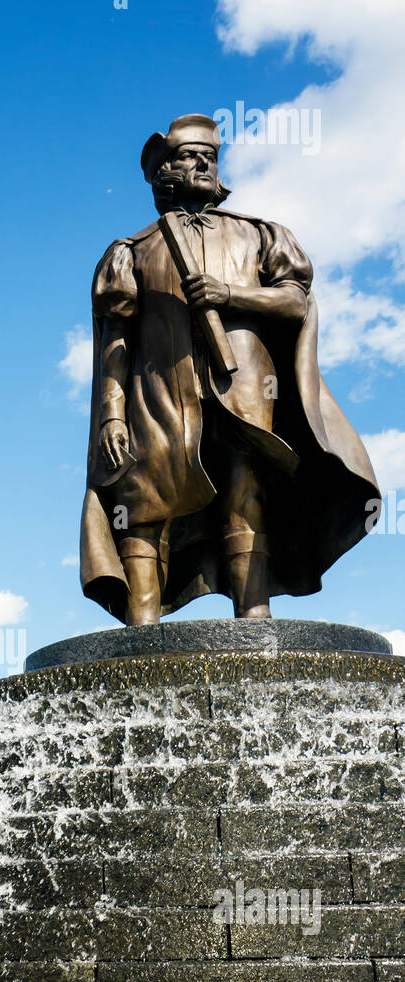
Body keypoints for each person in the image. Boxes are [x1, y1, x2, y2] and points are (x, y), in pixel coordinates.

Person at [81, 113, 380, 625]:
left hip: (244, 388)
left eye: (209, 157)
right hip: (158, 395)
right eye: (187, 156)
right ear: (162, 172)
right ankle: (141, 635)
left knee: (247, 492)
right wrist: (112, 413)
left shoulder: (259, 235)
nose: (202, 163)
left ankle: (253, 619)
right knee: (145, 501)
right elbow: (117, 339)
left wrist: (231, 294)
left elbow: (294, 302)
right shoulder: (132, 251)